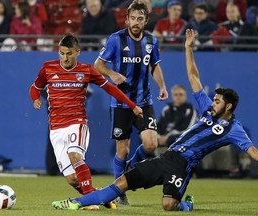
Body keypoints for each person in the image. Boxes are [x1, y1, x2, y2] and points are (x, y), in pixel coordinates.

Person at [51, 28, 258, 212]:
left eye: (218, 101)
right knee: (121, 182)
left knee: (168, 206)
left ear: (228, 106)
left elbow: (253, 152)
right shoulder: (207, 109)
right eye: (213, 100)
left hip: (182, 166)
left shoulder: (234, 128)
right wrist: (188, 48)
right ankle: (76, 201)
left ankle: (187, 204)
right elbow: (194, 78)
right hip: (166, 157)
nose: (212, 103)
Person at [29, 33, 143, 210]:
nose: (65, 58)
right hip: (56, 128)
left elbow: (110, 88)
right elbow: (35, 88)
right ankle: (100, 197)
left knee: (75, 156)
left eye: (69, 54)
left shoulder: (86, 70)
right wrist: (35, 98)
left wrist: (132, 105)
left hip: (77, 122)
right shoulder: (48, 68)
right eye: (61, 53)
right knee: (72, 179)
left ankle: (90, 201)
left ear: (78, 52)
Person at [93, 0, 168, 205]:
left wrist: (162, 86)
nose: (136, 22)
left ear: (146, 21)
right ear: (126, 19)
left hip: (144, 101)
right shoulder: (116, 39)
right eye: (132, 18)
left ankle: (129, 170)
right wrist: (113, 74)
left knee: (151, 145)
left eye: (140, 19)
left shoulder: (152, 41)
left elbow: (155, 66)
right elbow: (98, 65)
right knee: (122, 149)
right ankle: (120, 191)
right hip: (121, 103)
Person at [156, 85, 197, 152]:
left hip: (181, 137)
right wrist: (159, 136)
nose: (178, 97)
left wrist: (166, 137)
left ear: (185, 96)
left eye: (181, 94)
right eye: (175, 95)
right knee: (148, 139)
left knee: (172, 139)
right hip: (164, 137)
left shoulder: (190, 110)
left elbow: (186, 129)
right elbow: (159, 125)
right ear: (172, 96)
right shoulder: (167, 109)